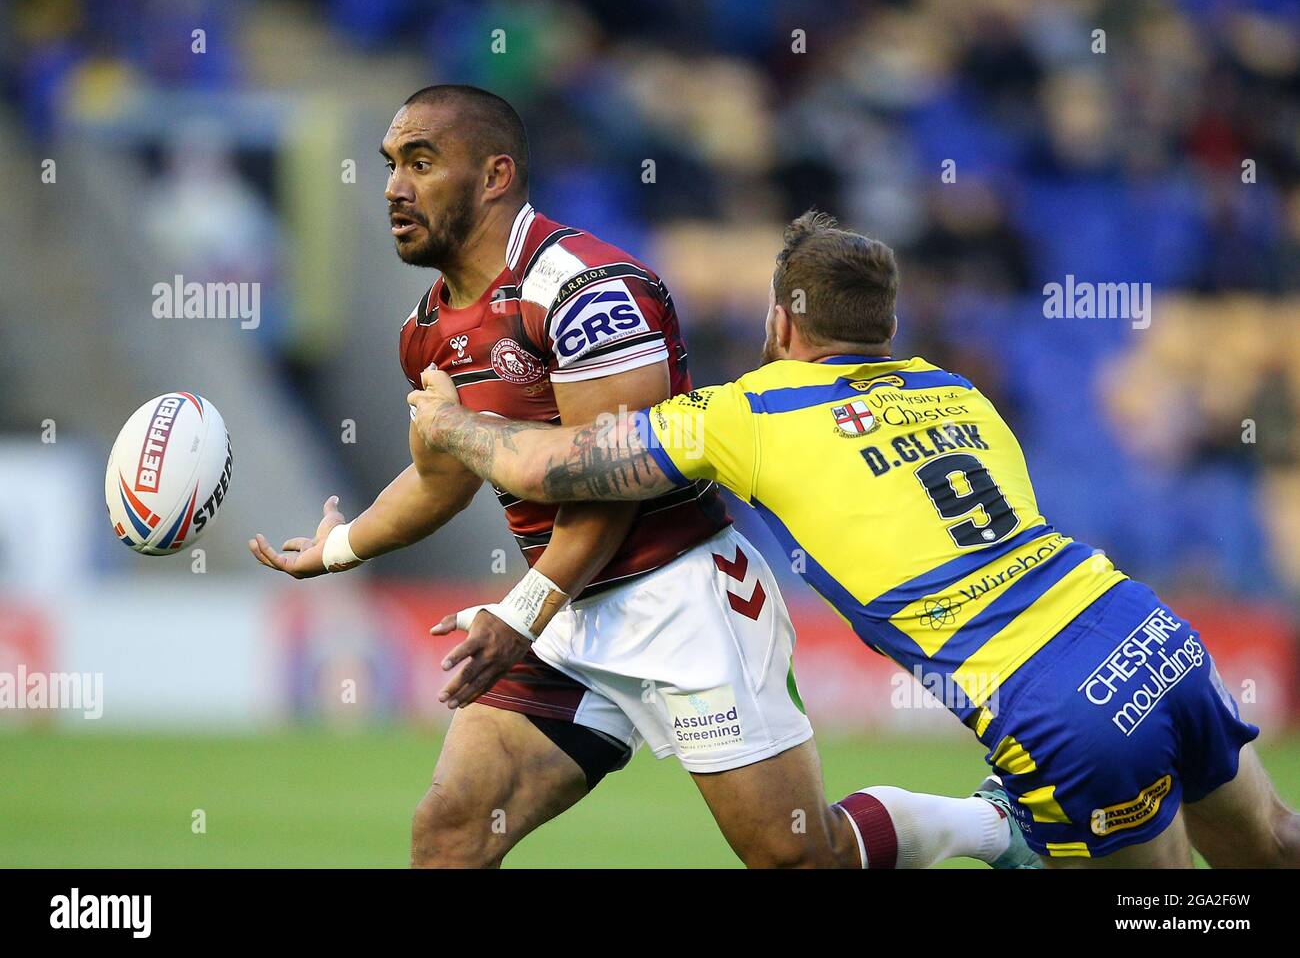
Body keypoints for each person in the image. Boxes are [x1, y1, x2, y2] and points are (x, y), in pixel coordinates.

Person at [251, 86, 1033, 869]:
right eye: (390, 165)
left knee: (799, 856)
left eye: (420, 162)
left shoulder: (590, 289)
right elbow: (439, 476)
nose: (394, 185)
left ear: (494, 176)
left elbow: (610, 484)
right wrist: (340, 546)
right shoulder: (426, 332)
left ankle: (993, 827)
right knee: (450, 832)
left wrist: (521, 612)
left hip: (681, 597)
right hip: (565, 611)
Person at [409, 208, 1300, 867]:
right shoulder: (958, 391)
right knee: (1271, 843)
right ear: (887, 325)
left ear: (782, 322)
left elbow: (555, 467)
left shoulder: (747, 412)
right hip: (1145, 629)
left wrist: (452, 425)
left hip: (1051, 704)